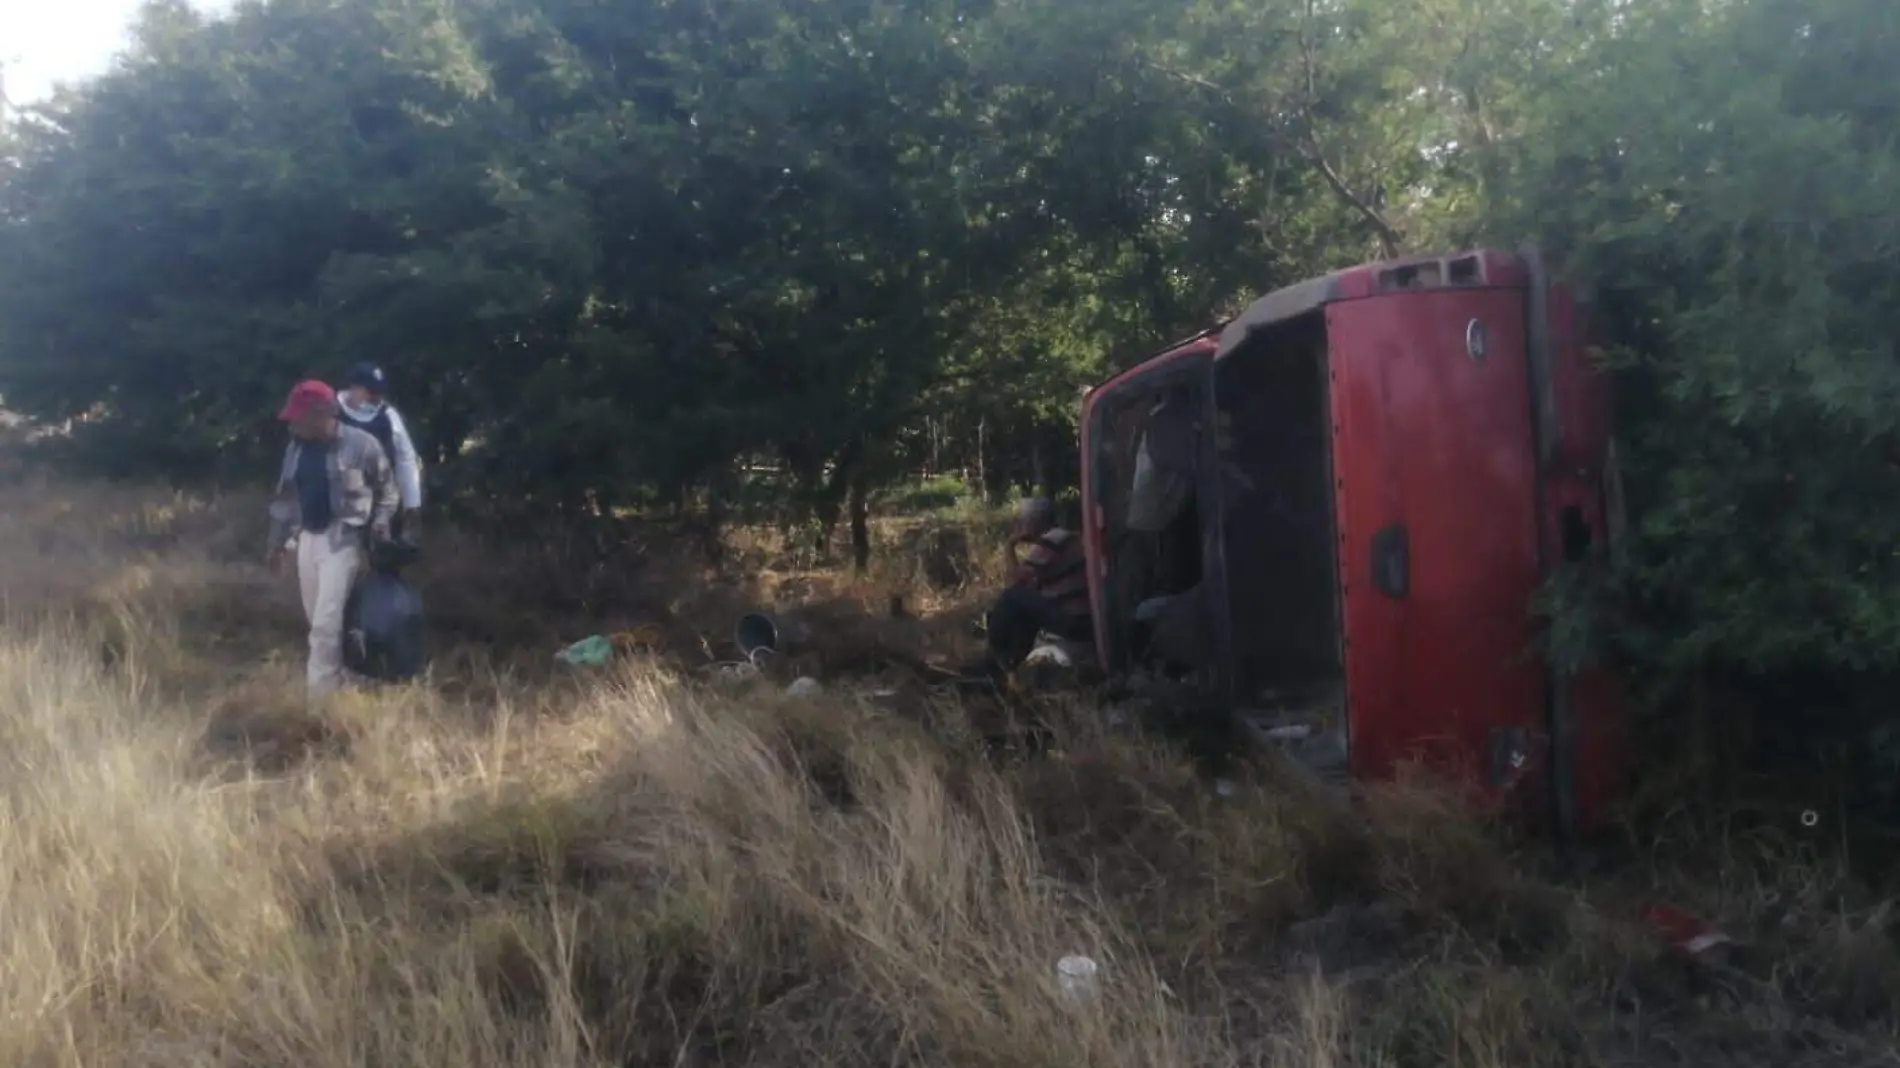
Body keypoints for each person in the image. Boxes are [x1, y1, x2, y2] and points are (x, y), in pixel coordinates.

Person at [266, 380, 399, 698]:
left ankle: (319, 705)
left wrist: (380, 524)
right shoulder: (295, 448)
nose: (293, 424)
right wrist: (276, 544)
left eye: (299, 417)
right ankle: (348, 681)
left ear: (322, 414)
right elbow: (285, 498)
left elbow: (388, 492)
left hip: (345, 542)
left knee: (326, 623)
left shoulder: (362, 445)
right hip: (307, 540)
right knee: (321, 624)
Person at [983, 498, 1095, 673]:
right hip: (1082, 618)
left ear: (1034, 521)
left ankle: (995, 660)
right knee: (1022, 607)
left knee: (1011, 598)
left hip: (1073, 619)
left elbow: (1015, 582)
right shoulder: (1065, 537)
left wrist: (1010, 545)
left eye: (1022, 520)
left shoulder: (1052, 540)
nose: (1019, 526)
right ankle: (1011, 663)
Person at [337, 362, 423, 539]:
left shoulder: (388, 416)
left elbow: (405, 458)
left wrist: (411, 502)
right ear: (354, 387)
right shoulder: (333, 412)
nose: (374, 397)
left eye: (377, 392)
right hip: (339, 506)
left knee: (383, 558)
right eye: (369, 391)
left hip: (381, 505)